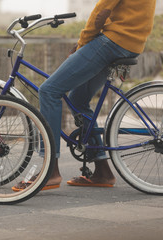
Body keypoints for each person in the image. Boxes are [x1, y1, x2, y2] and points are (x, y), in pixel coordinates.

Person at [14, 0, 156, 191]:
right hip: (130, 43)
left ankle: (49, 171)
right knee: (78, 100)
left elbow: (101, 11)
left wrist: (82, 43)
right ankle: (103, 172)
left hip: (113, 41)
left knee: (49, 91)